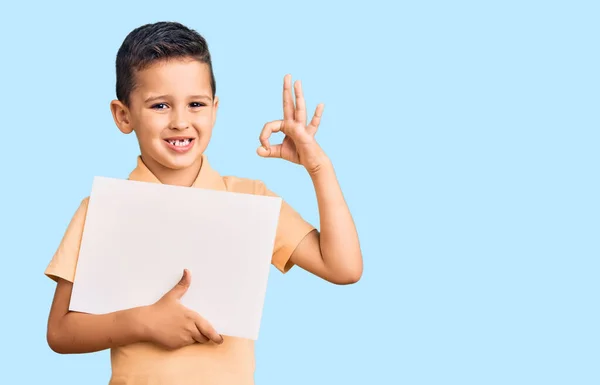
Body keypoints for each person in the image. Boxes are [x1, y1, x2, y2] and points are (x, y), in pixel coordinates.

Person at [45, 21, 363, 385]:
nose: (181, 122)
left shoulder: (249, 200)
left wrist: (318, 166)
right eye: (160, 105)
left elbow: (343, 268)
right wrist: (143, 322)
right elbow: (60, 331)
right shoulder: (102, 209)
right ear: (124, 115)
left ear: (214, 109)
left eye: (196, 104)